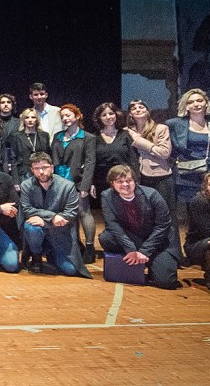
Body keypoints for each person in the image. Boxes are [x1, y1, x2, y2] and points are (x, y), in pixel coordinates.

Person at [98, 165, 180, 289]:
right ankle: (135, 259)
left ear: (134, 181)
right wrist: (131, 249)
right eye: (120, 181)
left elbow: (163, 226)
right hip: (134, 238)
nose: (125, 184)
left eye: (129, 180)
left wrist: (144, 251)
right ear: (112, 184)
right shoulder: (107, 196)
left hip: (158, 242)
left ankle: (150, 262)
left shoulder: (152, 194)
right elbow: (112, 224)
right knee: (106, 237)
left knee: (166, 282)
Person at [19, 152, 91, 278]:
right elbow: (27, 209)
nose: (41, 172)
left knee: (70, 270)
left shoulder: (67, 186)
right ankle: (37, 257)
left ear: (52, 167)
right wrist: (52, 217)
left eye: (44, 167)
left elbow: (71, 213)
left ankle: (52, 252)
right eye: (37, 168)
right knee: (31, 226)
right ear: (32, 170)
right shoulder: (26, 185)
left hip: (60, 231)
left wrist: (46, 221)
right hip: (39, 228)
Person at [50, 104, 97, 262]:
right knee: (69, 215)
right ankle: (76, 244)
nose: (65, 118)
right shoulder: (57, 136)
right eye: (62, 116)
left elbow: (90, 162)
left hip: (77, 180)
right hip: (59, 180)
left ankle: (90, 247)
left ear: (77, 116)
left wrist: (85, 185)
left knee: (83, 212)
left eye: (68, 115)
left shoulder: (87, 137)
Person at [165, 88, 210, 205]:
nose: (196, 104)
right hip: (186, 178)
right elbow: (168, 150)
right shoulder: (174, 124)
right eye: (190, 102)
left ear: (206, 103)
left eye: (199, 100)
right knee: (186, 216)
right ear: (186, 106)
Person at [125, 100, 176, 235]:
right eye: (133, 108)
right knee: (144, 216)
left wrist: (140, 141)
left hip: (161, 176)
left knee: (166, 215)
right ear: (130, 114)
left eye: (141, 107)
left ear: (148, 111)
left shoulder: (161, 128)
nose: (137, 109)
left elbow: (164, 153)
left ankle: (171, 251)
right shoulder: (127, 132)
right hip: (138, 177)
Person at [90, 102, 138, 200]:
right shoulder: (93, 138)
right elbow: (91, 163)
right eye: (104, 115)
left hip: (124, 182)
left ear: (116, 115)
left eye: (111, 113)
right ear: (99, 118)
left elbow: (134, 160)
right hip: (101, 182)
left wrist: (136, 181)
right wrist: (91, 183)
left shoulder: (125, 134)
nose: (108, 117)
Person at [4, 109, 51, 187]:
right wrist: (16, 181)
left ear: (37, 120)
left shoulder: (44, 135)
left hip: (42, 173)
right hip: (24, 174)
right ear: (23, 120)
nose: (30, 120)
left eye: (33, 117)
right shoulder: (16, 136)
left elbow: (49, 156)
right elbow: (13, 160)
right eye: (27, 117)